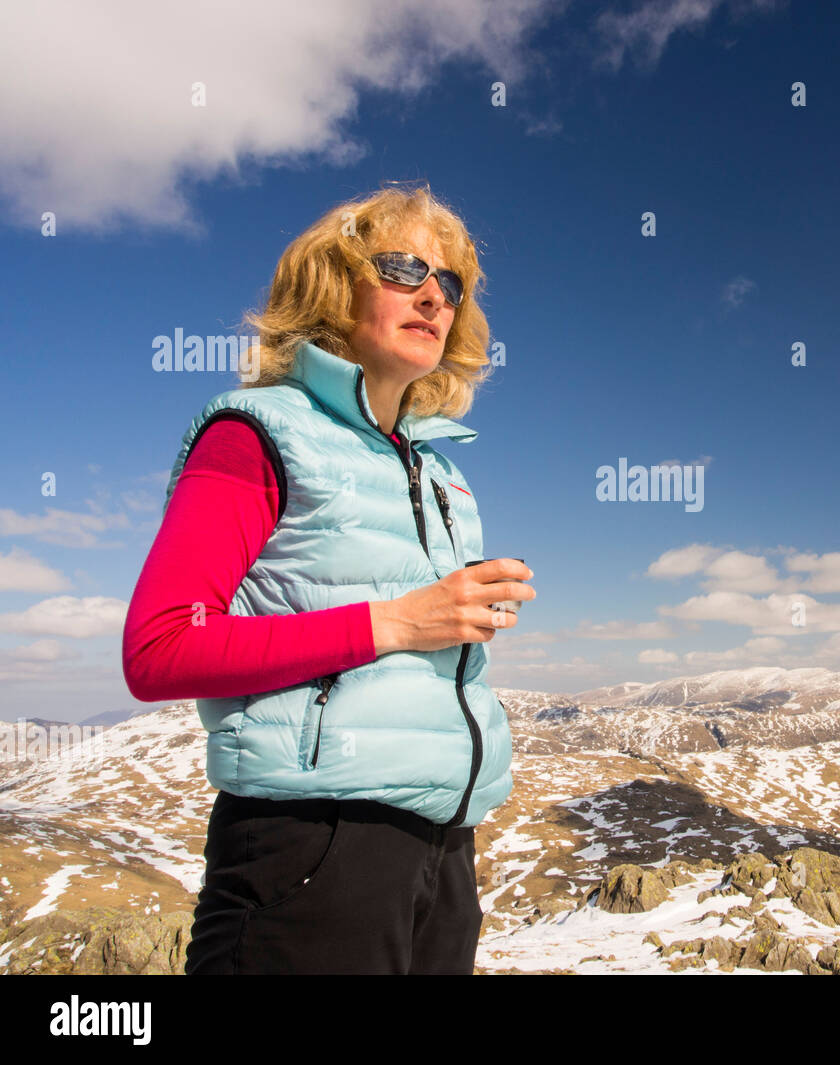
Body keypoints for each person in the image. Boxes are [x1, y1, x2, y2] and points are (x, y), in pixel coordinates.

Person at [121, 182, 535, 974]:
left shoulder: (437, 466)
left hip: (443, 854)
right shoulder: (257, 433)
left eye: (449, 283)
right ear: (332, 284)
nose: (432, 295)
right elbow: (161, 647)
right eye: (403, 267)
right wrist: (396, 622)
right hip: (312, 852)